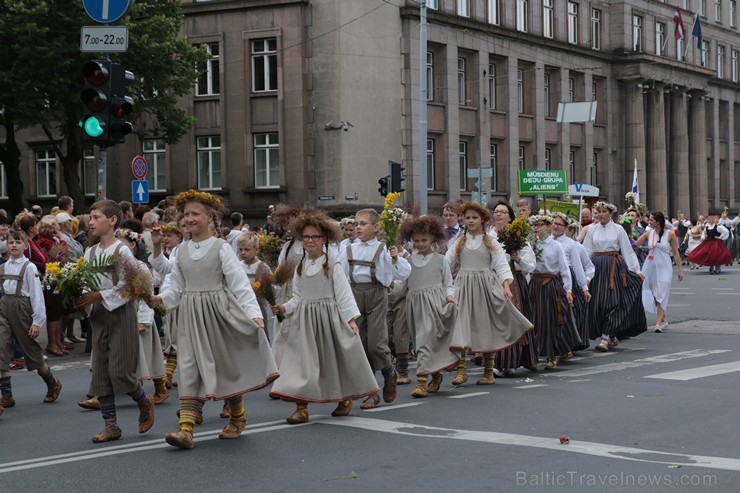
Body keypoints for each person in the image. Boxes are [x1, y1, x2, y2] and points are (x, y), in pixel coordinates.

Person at [150, 190, 278, 450]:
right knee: (189, 367)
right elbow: (176, 287)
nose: (189, 219)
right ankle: (186, 430)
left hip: (219, 312)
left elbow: (239, 283)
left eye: (195, 214)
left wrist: (253, 313)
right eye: (185, 214)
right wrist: (159, 299)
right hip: (191, 315)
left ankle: (237, 417)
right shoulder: (182, 250)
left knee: (225, 367)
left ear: (210, 217)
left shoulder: (221, 248)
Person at [270, 210, 379, 423]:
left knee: (333, 362)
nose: (310, 241)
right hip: (304, 321)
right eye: (306, 237)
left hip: (327, 320)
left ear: (324, 239)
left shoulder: (332, 264)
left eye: (315, 237)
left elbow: (344, 294)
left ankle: (344, 398)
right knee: (301, 363)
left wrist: (351, 319)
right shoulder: (300, 266)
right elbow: (297, 297)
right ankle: (301, 406)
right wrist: (284, 307)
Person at [72, 200, 155, 443]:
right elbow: (87, 281)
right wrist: (81, 294)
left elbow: (129, 286)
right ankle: (111, 426)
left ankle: (143, 401)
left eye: (96, 217)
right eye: (91, 217)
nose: (92, 222)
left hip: (119, 312)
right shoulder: (90, 252)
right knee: (100, 372)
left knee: (120, 371)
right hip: (98, 314)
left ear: (112, 221)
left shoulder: (122, 250)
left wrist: (96, 295)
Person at [445, 202, 533, 386]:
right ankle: (461, 370)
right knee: (461, 326)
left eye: (474, 218)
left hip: (485, 285)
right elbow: (446, 262)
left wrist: (506, 285)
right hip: (463, 285)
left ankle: (488, 371)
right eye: (467, 218)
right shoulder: (460, 241)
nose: (470, 221)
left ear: (483, 220)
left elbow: (501, 264)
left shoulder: (490, 241)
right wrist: (444, 284)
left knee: (486, 327)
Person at [338, 208, 411, 409]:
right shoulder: (347, 249)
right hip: (354, 297)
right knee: (360, 346)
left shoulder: (383, 248)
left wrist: (396, 257)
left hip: (377, 295)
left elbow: (404, 273)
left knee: (376, 344)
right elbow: (339, 276)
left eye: (363, 224)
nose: (358, 227)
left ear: (376, 227)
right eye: (356, 223)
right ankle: (372, 393)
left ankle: (389, 373)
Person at [0, 230, 62, 416]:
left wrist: (37, 322)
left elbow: (37, 296)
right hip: (5, 308)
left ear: (26, 245)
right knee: (1, 349)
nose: (13, 245)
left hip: (22, 309)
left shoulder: (29, 268)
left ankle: (52, 383)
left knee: (31, 351)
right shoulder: (3, 267)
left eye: (18, 242)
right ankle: (7, 395)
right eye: (11, 242)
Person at [397, 215, 459, 398]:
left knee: (426, 340)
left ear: (433, 239)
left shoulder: (440, 260)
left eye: (424, 240)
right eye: (416, 240)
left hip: (434, 304)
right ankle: (435, 374)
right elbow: (403, 285)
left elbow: (449, 282)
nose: (420, 244)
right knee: (420, 342)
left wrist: (449, 297)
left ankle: (421, 383)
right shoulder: (408, 261)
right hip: (414, 305)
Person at [582, 201, 646, 352]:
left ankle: (604, 338)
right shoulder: (592, 230)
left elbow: (627, 251)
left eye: (604, 211)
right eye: (599, 211)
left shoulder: (618, 229)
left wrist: (636, 270)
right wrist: (583, 272)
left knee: (612, 301)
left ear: (611, 213)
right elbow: (586, 252)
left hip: (613, 267)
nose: (601, 214)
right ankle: (611, 334)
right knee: (598, 303)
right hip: (597, 267)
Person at [115, 228, 169, 404]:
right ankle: (104, 391)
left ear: (132, 245)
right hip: (121, 316)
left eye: (122, 244)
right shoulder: (114, 266)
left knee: (147, 356)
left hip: (139, 316)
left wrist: (144, 321)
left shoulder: (140, 267)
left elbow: (146, 296)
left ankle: (160, 387)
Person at [489, 201, 538, 375]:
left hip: (514, 282)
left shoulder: (518, 237)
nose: (498, 215)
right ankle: (497, 361)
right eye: (496, 211)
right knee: (498, 322)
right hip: (494, 281)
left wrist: (518, 259)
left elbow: (531, 265)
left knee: (514, 320)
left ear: (510, 217)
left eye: (502, 212)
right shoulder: (488, 236)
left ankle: (513, 361)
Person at [528, 215, 580, 370]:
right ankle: (533, 355)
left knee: (551, 320)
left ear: (549, 226)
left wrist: (568, 290)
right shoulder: (531, 243)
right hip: (535, 284)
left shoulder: (556, 246)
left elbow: (564, 269)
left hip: (550, 284)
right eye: (534, 225)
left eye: (540, 225)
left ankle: (553, 355)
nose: (536, 228)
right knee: (534, 320)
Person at [550, 212, 591, 352]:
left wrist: (584, 287)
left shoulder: (571, 245)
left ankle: (566, 344)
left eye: (559, 224)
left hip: (565, 279)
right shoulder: (545, 241)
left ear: (565, 227)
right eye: (553, 223)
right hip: (549, 279)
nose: (555, 226)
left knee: (565, 313)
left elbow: (578, 267)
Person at [636, 211, 683, 333]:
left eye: (651, 220)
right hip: (650, 267)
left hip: (665, 267)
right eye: (649, 220)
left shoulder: (670, 234)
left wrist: (680, 270)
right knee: (654, 293)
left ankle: (658, 323)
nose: (649, 222)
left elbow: (676, 253)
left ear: (658, 221)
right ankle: (663, 319)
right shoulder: (648, 234)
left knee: (661, 292)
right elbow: (635, 243)